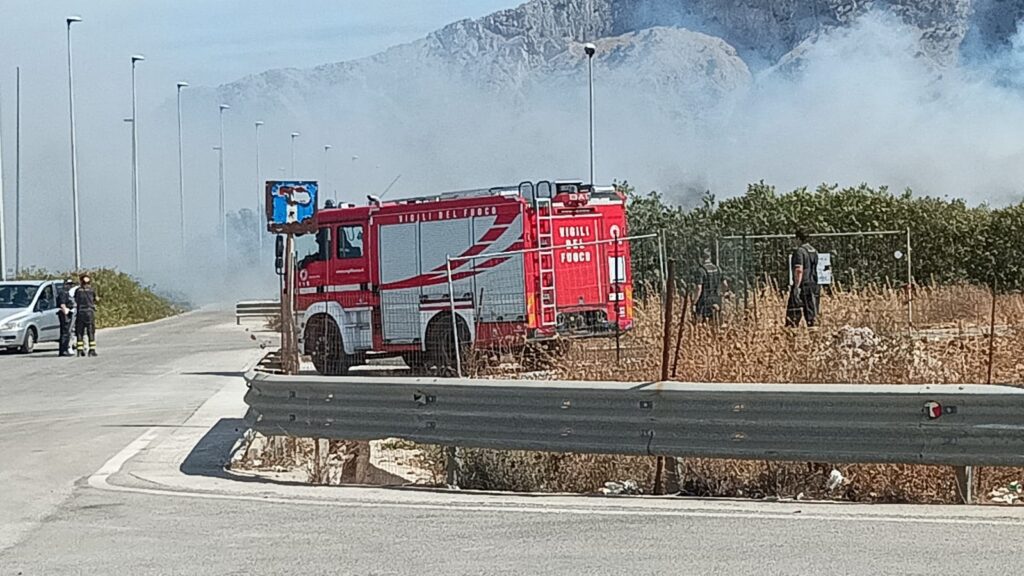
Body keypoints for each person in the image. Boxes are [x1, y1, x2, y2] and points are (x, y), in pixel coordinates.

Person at [786, 229, 819, 327]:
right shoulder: (814, 251)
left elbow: (799, 269)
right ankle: (814, 335)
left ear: (798, 238)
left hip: (803, 285)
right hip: (813, 285)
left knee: (793, 314)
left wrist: (796, 287)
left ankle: (791, 336)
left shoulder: (799, 251)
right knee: (812, 314)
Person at [693, 248, 724, 324]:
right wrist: (720, 294)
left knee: (703, 326)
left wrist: (694, 302)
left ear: (701, 257)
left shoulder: (701, 271)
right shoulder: (718, 269)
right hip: (716, 299)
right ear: (710, 257)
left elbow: (699, 288)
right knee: (715, 323)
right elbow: (725, 285)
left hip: (704, 301)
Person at [74, 274, 98, 357]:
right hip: (89, 312)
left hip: (80, 312)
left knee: (79, 331)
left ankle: (79, 350)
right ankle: (92, 350)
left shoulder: (78, 290)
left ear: (81, 281)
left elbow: (76, 300)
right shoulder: (92, 290)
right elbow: (95, 299)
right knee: (90, 331)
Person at [56, 278, 76, 357]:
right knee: (65, 332)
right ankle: (63, 350)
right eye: (69, 284)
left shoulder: (66, 293)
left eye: (71, 285)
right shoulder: (63, 293)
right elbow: (62, 304)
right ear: (65, 285)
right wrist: (66, 312)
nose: (70, 286)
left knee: (66, 332)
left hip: (67, 313)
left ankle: (64, 349)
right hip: (65, 314)